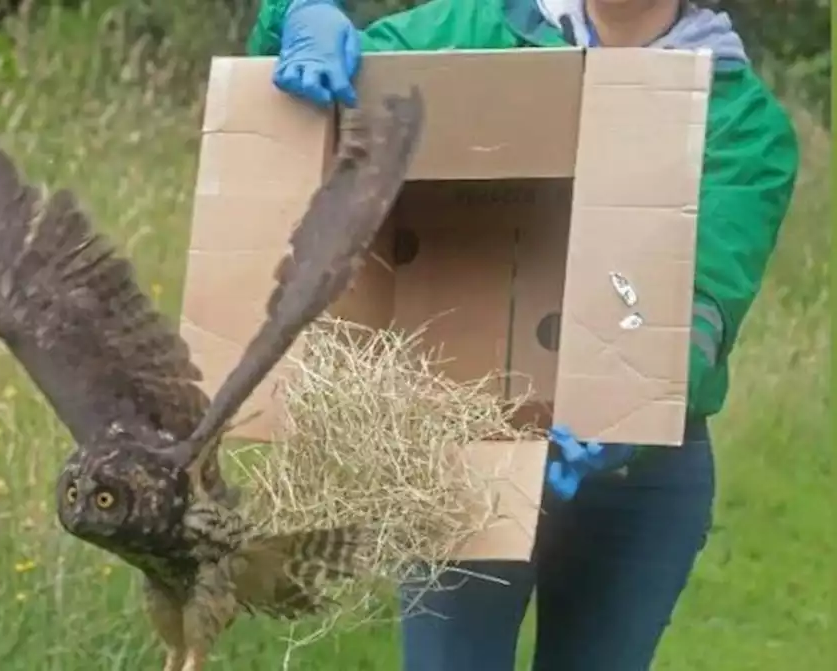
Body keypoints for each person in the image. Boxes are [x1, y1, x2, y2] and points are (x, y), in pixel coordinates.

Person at [246, 1, 800, 669]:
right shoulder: (471, 34)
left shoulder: (741, 121)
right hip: (469, 452)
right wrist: (297, 17)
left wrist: (633, 393)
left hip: (636, 474)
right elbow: (280, 111)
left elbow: (708, 291)